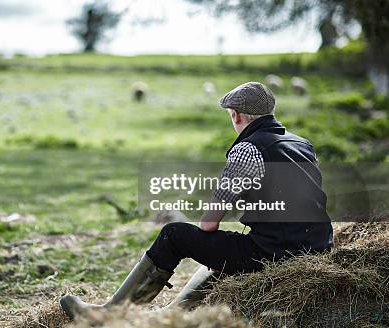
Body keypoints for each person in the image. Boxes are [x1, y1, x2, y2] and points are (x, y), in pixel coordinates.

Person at [60, 81, 334, 319]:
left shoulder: (247, 149)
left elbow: (208, 224)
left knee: (175, 235)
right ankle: (170, 314)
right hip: (318, 247)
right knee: (224, 250)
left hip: (275, 253)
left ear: (236, 115)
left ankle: (111, 314)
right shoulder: (302, 144)